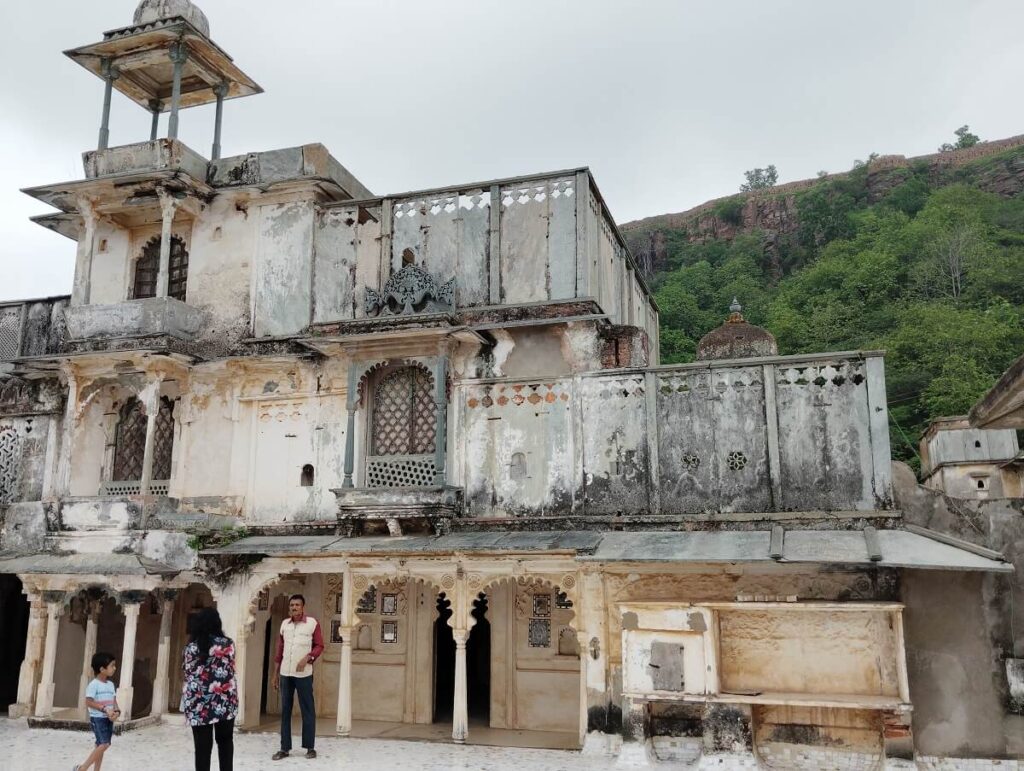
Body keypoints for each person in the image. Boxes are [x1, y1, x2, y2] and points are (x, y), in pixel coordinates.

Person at [182, 607, 239, 771]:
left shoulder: (191, 648)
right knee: (226, 742)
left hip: (198, 703)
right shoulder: (227, 644)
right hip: (225, 700)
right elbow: (230, 667)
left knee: (202, 748)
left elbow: (187, 672)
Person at [272, 594, 324, 761]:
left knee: (307, 710)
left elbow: (319, 645)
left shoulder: (312, 624)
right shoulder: (284, 625)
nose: (294, 608)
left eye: (297, 605)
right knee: (285, 710)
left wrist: (308, 658)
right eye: (292, 605)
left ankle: (310, 747)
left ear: (303, 607)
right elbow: (280, 651)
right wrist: (275, 674)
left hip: (303, 674)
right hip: (285, 673)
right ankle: (284, 748)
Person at [72, 652, 120, 771]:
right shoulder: (94, 685)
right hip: (98, 718)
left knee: (100, 745)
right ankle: (82, 768)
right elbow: (88, 702)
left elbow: (114, 701)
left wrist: (117, 711)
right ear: (102, 669)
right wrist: (104, 709)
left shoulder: (110, 684)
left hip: (108, 719)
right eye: (112, 665)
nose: (115, 668)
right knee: (105, 744)